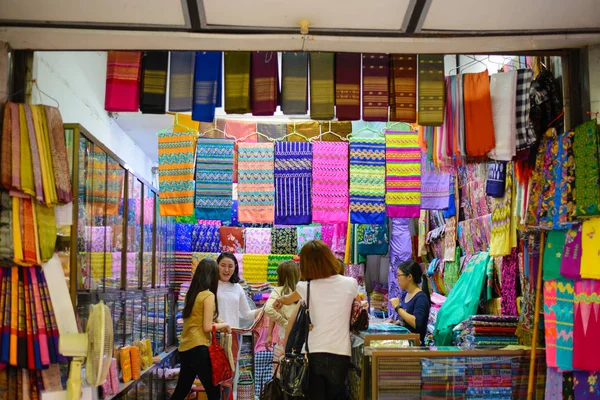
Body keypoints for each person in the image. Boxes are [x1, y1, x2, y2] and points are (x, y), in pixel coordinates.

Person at [275, 240, 358, 400]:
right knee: (338, 394)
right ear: (329, 257)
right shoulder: (350, 283)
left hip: (314, 351)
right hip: (341, 351)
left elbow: (286, 299)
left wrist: (279, 301)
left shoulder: (305, 287)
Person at [171, 259, 231, 400]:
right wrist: (225, 325)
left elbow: (196, 317)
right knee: (213, 392)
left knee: (182, 390)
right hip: (199, 348)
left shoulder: (191, 294)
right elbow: (207, 327)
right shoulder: (208, 295)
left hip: (186, 348)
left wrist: (216, 319)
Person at [215, 252, 261, 400]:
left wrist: (266, 309)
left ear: (235, 267)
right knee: (213, 373)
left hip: (233, 335)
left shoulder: (237, 288)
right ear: (217, 266)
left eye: (230, 266)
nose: (226, 269)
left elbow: (247, 314)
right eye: (223, 265)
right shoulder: (211, 285)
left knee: (230, 372)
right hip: (213, 334)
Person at [265, 260, 300, 371]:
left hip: (283, 336)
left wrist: (283, 323)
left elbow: (269, 309)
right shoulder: (301, 291)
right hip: (300, 337)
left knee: (281, 373)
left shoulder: (278, 291)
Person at [389, 260, 431, 345]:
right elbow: (406, 319)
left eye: (399, 276)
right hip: (404, 342)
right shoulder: (405, 294)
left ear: (409, 277)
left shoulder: (421, 298)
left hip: (414, 346)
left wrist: (397, 307)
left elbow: (416, 323)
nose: (397, 279)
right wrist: (395, 323)